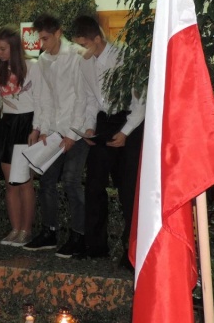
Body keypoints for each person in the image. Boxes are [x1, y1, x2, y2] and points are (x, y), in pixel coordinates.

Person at [72, 15, 145, 266]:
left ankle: (131, 253)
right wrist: (89, 127)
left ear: (97, 38)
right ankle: (96, 246)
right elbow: (92, 99)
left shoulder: (125, 57)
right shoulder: (85, 63)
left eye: (84, 45)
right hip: (104, 122)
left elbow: (140, 101)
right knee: (94, 185)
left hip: (129, 121)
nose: (81, 50)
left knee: (128, 190)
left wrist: (126, 132)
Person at [22, 14, 89, 258]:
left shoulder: (76, 56)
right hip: (55, 130)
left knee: (71, 181)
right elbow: (44, 98)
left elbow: (82, 98)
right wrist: (41, 129)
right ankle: (49, 232)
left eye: (46, 39)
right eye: (40, 39)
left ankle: (79, 235)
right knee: (47, 180)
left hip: (77, 130)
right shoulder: (43, 60)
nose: (42, 44)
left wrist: (71, 134)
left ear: (59, 33)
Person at [0, 25, 44, 247]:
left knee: (24, 182)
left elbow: (40, 100)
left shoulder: (33, 66)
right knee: (10, 182)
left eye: (3, 49)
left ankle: (26, 230)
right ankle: (15, 228)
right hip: (8, 123)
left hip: (26, 123)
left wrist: (36, 129)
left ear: (14, 47)